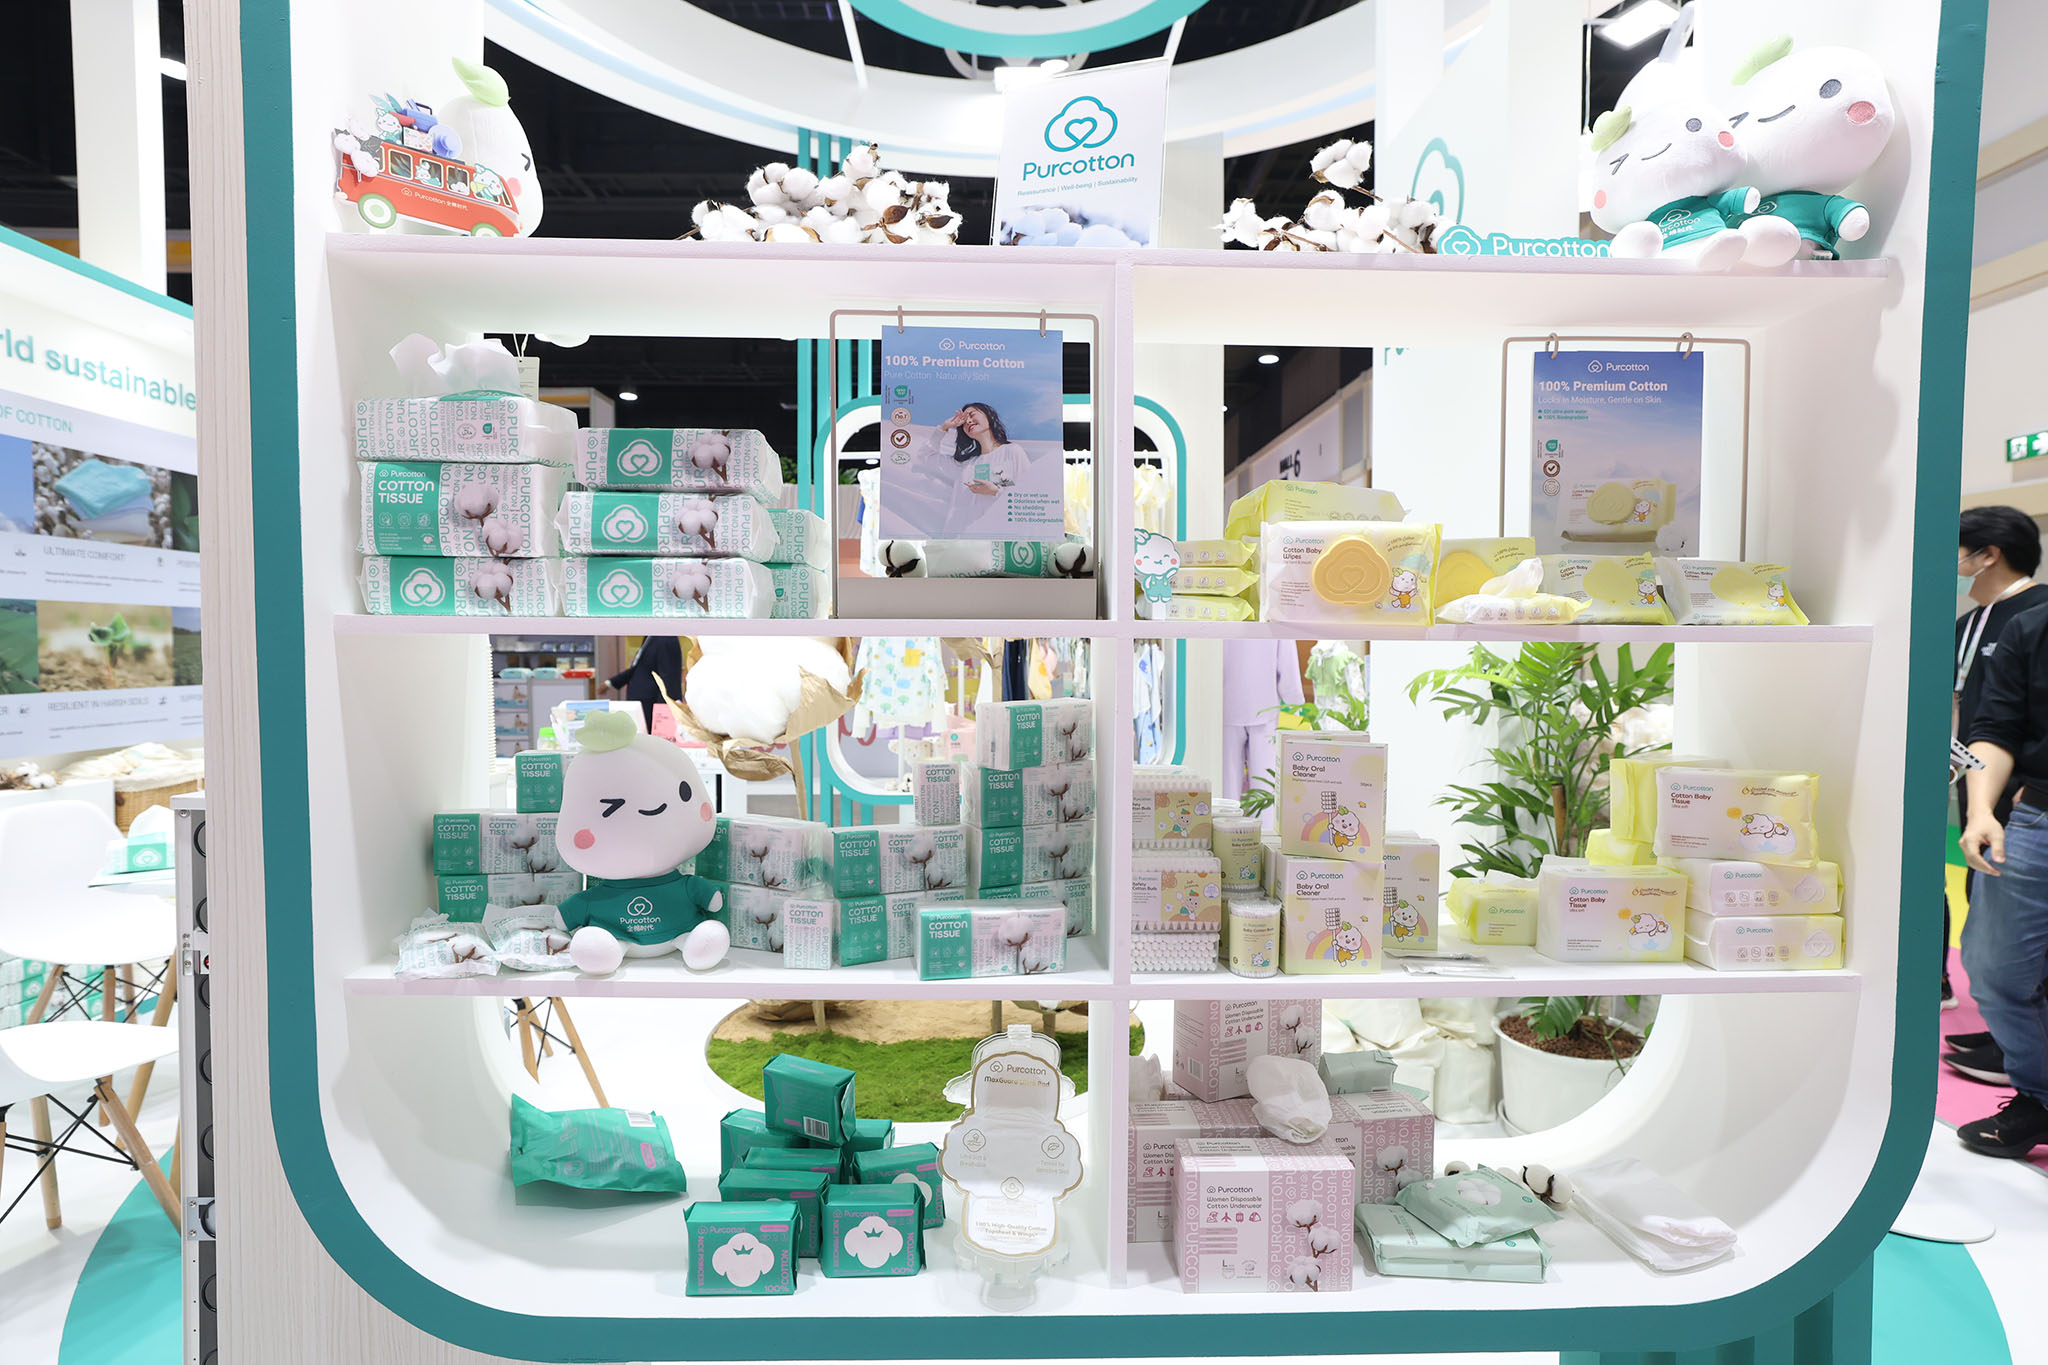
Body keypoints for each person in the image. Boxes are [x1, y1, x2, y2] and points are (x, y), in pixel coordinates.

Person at [1947, 508, 2047, 1085]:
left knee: (2021, 944)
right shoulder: (1973, 623)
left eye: (1957, 548)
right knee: (1989, 935)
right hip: (1983, 788)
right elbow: (1986, 717)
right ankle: (2011, 1039)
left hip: (2027, 799)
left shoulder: (2034, 612)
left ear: (1989, 553)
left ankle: (2025, 1056)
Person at [1957, 586, 2048, 1157]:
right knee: (1994, 968)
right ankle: (2039, 1097)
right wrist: (1981, 810)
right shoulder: (2032, 628)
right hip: (2037, 816)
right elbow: (1996, 727)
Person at [606, 635, 684, 733]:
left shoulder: (666, 639)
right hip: (641, 708)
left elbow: (669, 682)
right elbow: (639, 668)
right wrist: (610, 683)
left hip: (651, 711)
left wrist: (663, 721)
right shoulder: (651, 637)